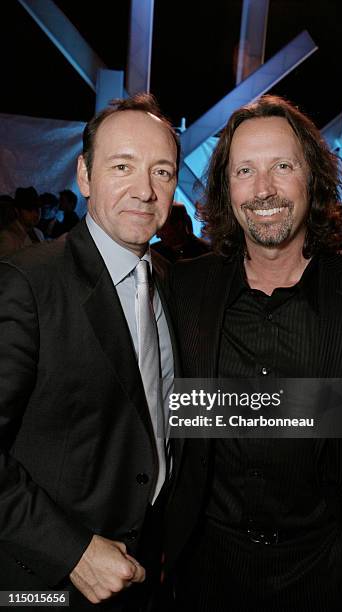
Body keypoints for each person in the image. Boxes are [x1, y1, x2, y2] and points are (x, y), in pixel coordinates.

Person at [164, 95, 342, 611]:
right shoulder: (182, 289)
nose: (264, 189)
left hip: (328, 576)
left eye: (282, 166)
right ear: (226, 190)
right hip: (204, 575)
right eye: (245, 170)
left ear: (313, 178)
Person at [0, 93, 180, 611]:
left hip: (143, 572)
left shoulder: (170, 282)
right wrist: (74, 552)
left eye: (162, 172)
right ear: (84, 175)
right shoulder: (26, 285)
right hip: (43, 585)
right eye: (122, 166)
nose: (144, 190)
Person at [0, 187, 44, 256]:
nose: (35, 214)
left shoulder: (39, 233)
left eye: (37, 209)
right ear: (17, 211)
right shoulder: (8, 237)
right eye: (29, 210)